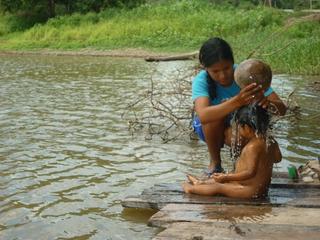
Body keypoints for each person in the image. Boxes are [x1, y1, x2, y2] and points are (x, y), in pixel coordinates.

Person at [192, 37, 287, 176]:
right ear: (206, 68)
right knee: (213, 118)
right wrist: (237, 101)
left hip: (236, 126)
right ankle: (215, 163)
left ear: (233, 62)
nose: (223, 75)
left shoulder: (246, 74)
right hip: (209, 129)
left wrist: (267, 103)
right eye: (215, 71)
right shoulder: (201, 80)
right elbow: (203, 115)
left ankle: (241, 167)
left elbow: (282, 110)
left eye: (227, 68)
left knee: (253, 137)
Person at [183, 104, 282, 199]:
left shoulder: (252, 147)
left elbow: (250, 172)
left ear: (247, 128)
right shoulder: (271, 142)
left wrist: (227, 177)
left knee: (219, 187)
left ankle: (191, 189)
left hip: (249, 191)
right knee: (220, 180)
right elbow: (278, 159)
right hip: (256, 188)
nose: (237, 129)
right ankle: (200, 183)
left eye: (239, 126)